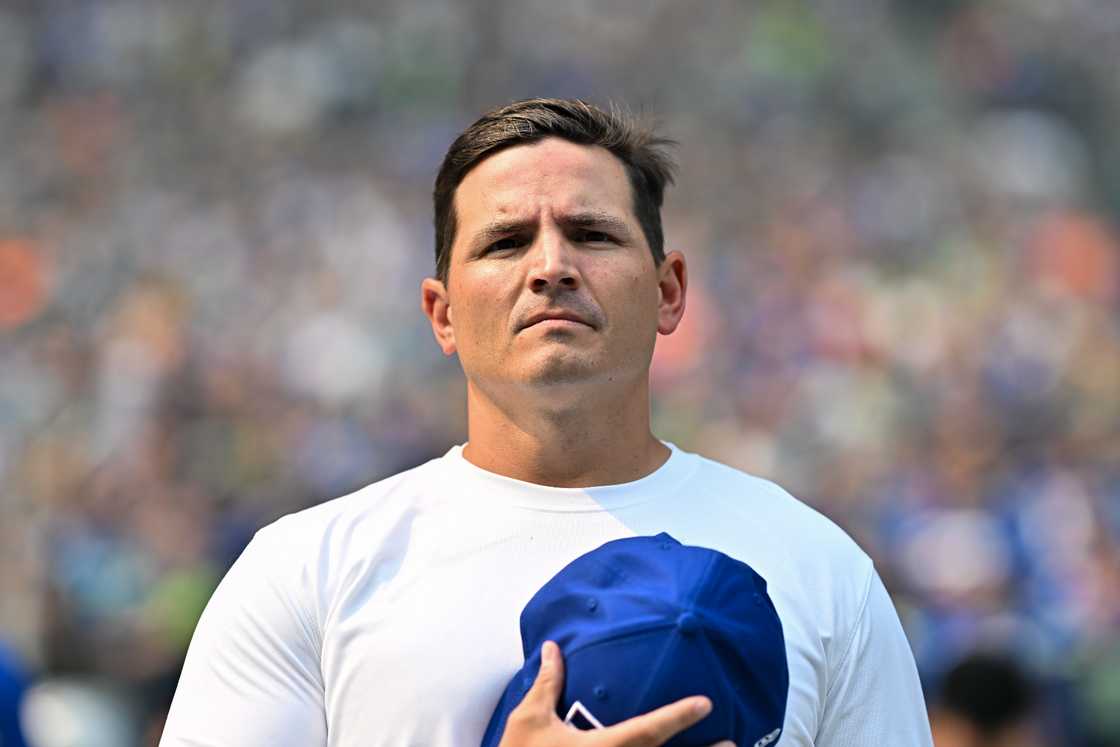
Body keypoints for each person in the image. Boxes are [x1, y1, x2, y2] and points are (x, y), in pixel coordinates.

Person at [159, 98, 933, 746]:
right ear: (443, 312)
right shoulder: (306, 573)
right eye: (505, 241)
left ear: (669, 291)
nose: (550, 266)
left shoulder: (821, 571)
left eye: (592, 234)